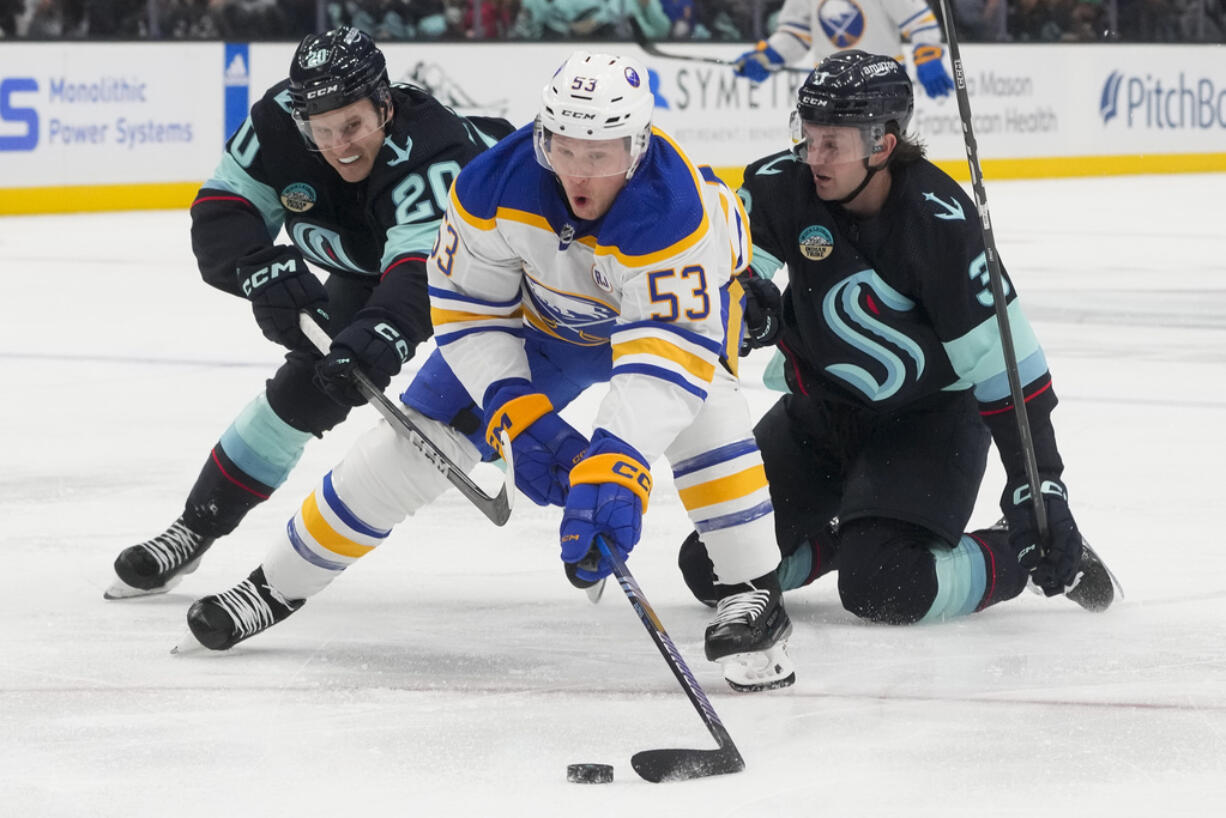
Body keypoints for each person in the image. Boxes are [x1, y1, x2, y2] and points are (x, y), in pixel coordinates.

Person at [180, 50, 796, 694]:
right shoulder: (489, 184)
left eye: (601, 155)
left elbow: (663, 361)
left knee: (705, 418)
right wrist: (518, 413)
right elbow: (468, 311)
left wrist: (619, 460)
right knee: (413, 445)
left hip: (675, 321)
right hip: (547, 328)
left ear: (638, 147)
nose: (579, 176)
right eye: (564, 150)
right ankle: (275, 585)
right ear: (540, 139)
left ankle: (754, 593)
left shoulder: (676, 210)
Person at [679, 50, 1118, 626]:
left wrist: (1040, 490)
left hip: (928, 422)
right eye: (806, 136)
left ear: (882, 146)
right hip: (822, 414)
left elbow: (1005, 367)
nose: (814, 156)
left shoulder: (940, 222)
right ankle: (846, 535)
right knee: (714, 568)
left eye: (831, 143)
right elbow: (733, 271)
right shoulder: (779, 185)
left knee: (886, 586)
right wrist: (745, 306)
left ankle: (1011, 549)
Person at [104, 26, 512, 600]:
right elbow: (224, 207)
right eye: (322, 131)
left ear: (385, 106)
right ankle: (195, 526)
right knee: (311, 384)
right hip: (377, 259)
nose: (340, 145)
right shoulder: (275, 124)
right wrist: (259, 268)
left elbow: (424, 273)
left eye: (354, 125)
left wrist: (379, 334)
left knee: (527, 384)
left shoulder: (432, 151)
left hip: (505, 259)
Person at [731, 0, 956, 99]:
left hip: (881, 85)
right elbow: (795, 34)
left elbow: (919, 22)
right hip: (828, 86)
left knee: (884, 161)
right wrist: (767, 56)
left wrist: (927, 56)